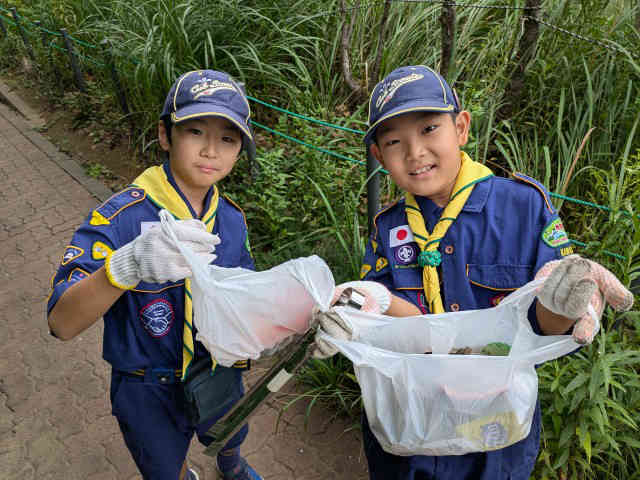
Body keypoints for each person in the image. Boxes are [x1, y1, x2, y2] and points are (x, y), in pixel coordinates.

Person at [312, 65, 634, 480]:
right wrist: (367, 307)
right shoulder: (389, 227)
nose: (415, 152)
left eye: (429, 129)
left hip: (495, 428)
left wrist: (562, 301)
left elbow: (541, 323)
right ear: (379, 156)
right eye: (394, 141)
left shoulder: (523, 208)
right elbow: (403, 323)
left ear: (461, 127)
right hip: (410, 423)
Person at [47, 70, 263, 480]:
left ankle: (231, 464)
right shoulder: (120, 219)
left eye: (228, 139)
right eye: (195, 131)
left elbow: (245, 290)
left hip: (217, 369)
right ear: (165, 135)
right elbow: (60, 323)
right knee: (163, 467)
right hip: (146, 387)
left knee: (230, 429)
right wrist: (123, 267)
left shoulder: (232, 219)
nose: (211, 150)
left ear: (240, 150)